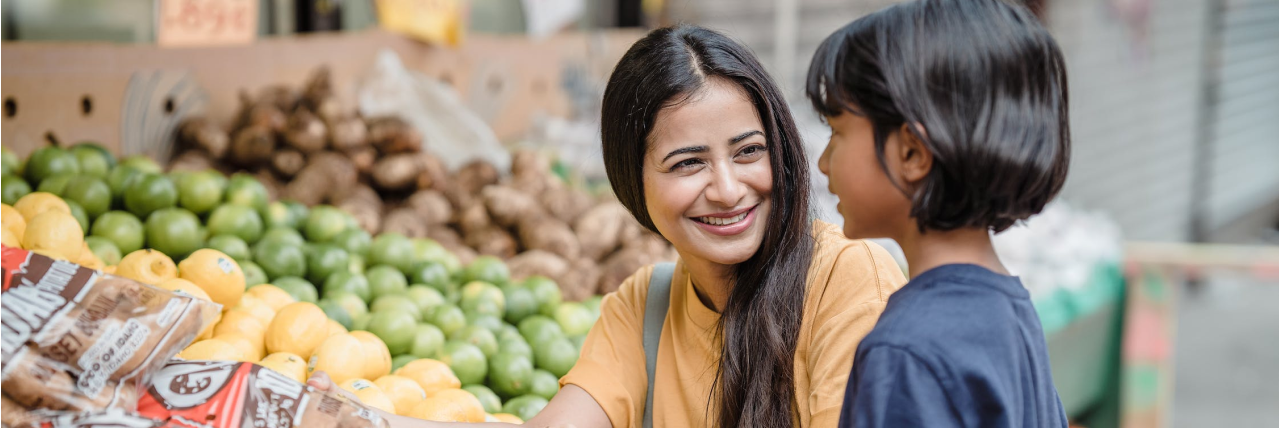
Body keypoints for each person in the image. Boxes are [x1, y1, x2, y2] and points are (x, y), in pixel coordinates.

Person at [309, 24, 906, 428]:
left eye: (749, 151)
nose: (727, 188)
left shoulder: (848, 279)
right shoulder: (644, 307)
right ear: (631, 182)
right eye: (688, 162)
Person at [805, 0, 1072, 427]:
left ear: (912, 152)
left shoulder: (905, 350)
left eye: (837, 132)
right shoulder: (1009, 311)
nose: (823, 162)